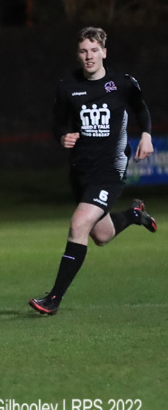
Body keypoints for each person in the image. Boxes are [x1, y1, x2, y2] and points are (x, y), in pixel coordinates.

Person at [30, 27, 156, 315]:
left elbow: (141, 108)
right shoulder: (67, 87)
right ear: (78, 55)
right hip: (81, 170)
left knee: (78, 226)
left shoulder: (122, 83)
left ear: (104, 53)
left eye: (94, 50)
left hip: (110, 169)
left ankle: (54, 299)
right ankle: (134, 215)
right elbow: (58, 124)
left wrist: (147, 135)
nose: (89, 56)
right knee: (101, 235)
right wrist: (63, 137)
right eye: (84, 51)